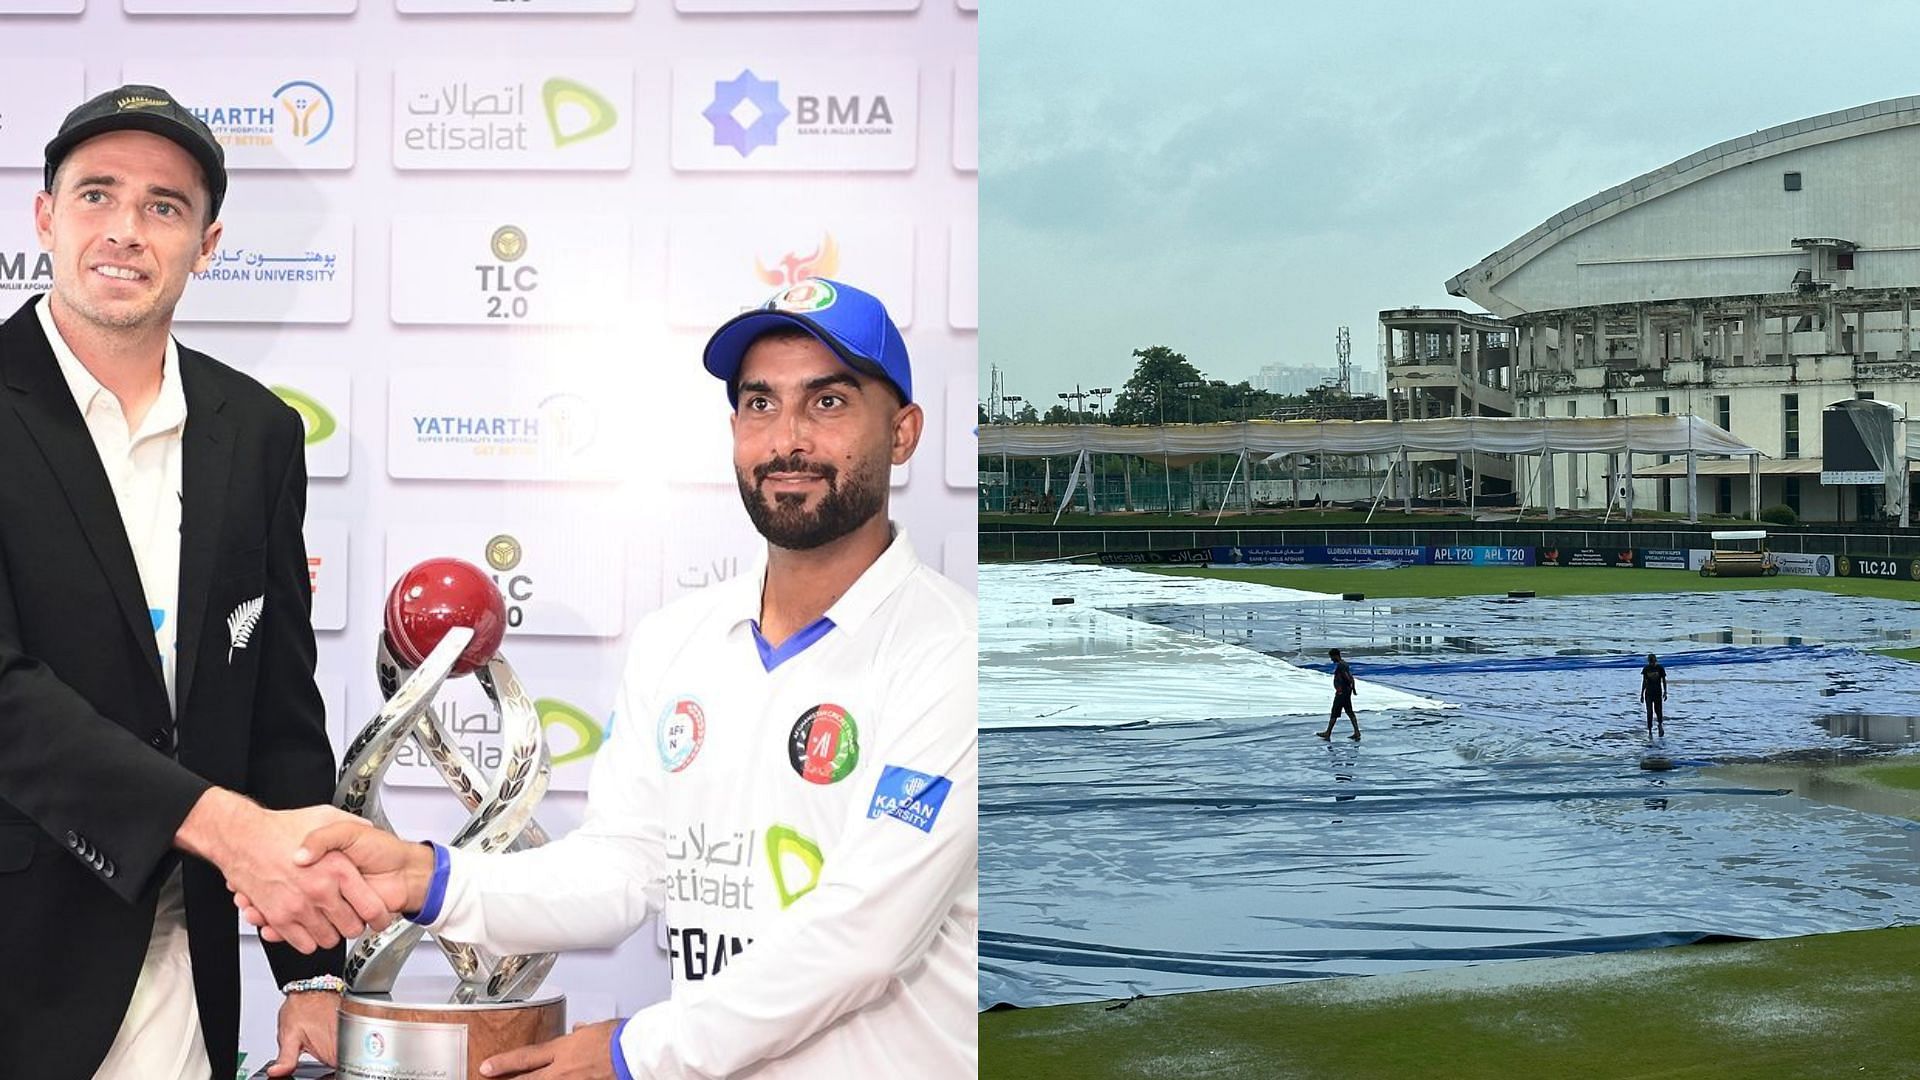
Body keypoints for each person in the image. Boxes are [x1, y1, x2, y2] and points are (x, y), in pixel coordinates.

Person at [248, 278, 978, 1078]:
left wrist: (637, 1052)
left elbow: (863, 937)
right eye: (760, 404)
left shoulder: (952, 652)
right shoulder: (679, 639)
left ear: (903, 433)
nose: (787, 439)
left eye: (829, 404)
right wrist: (429, 877)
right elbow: (622, 871)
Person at [0, 85, 397, 1080]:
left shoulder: (257, 432)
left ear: (207, 242)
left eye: (163, 207)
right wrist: (225, 827)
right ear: (44, 216)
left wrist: (310, 972)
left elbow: (276, 709)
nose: (126, 231)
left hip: (184, 969)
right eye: (97, 196)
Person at [1317, 648, 1360, 740]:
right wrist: (1353, 688)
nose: (1331, 659)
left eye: (1332, 657)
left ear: (1336, 656)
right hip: (1345, 692)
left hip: (1342, 693)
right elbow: (1351, 677)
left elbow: (1348, 677)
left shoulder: (1341, 665)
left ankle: (1328, 732)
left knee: (1335, 712)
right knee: (1349, 712)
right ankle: (1357, 732)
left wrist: (1343, 690)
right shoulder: (1344, 664)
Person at [1641, 653, 1668, 740]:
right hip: (1648, 693)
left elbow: (1663, 680)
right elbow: (1644, 682)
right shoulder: (1646, 669)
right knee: (1649, 712)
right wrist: (1641, 694)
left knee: (1658, 711)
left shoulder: (1660, 668)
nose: (1652, 663)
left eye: (1653, 662)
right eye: (1651, 662)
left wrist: (1665, 691)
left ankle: (1660, 725)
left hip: (1657, 693)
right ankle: (1650, 731)